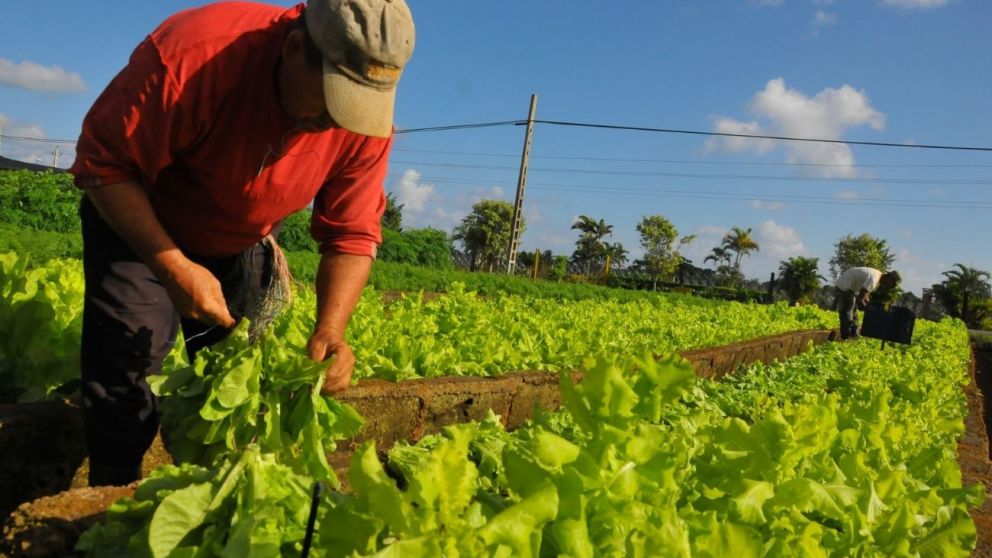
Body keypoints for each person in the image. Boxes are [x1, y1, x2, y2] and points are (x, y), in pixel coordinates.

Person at [68, 0, 415, 486]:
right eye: (332, 100)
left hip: (239, 238)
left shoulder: (363, 124)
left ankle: (221, 502)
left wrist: (331, 329)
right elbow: (103, 165)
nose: (338, 122)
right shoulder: (195, 55)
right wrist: (173, 266)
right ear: (294, 48)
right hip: (140, 220)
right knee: (126, 377)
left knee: (239, 380)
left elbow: (352, 232)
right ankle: (109, 500)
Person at [833, 267, 901, 340]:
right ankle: (846, 335)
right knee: (849, 307)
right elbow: (861, 299)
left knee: (853, 309)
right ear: (889, 278)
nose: (892, 287)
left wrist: (868, 305)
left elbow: (865, 297)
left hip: (851, 288)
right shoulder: (874, 279)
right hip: (844, 286)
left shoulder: (877, 277)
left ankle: (854, 334)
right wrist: (870, 311)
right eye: (893, 284)